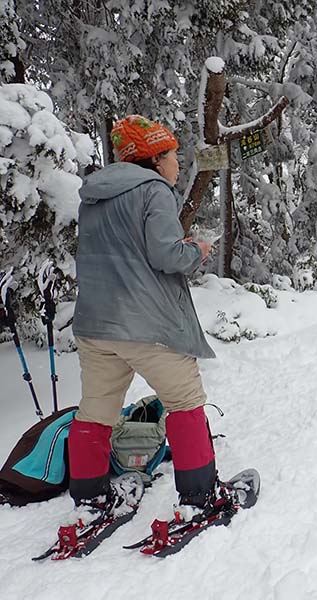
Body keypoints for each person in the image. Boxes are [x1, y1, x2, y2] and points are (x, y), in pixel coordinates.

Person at [65, 115, 236, 527]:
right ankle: (199, 496)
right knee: (185, 403)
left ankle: (90, 499)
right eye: (174, 154)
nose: (178, 163)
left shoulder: (94, 195)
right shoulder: (154, 190)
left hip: (95, 324)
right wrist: (196, 250)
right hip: (146, 324)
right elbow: (165, 256)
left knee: (96, 411)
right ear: (155, 158)